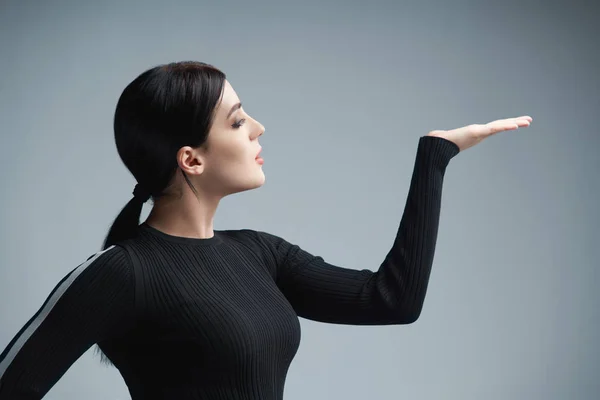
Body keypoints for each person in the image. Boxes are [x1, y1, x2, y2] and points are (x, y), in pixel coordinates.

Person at [0, 61, 532, 399]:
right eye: (235, 121)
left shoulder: (259, 254)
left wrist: (435, 157)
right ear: (191, 159)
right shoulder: (122, 271)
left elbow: (392, 300)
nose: (257, 127)